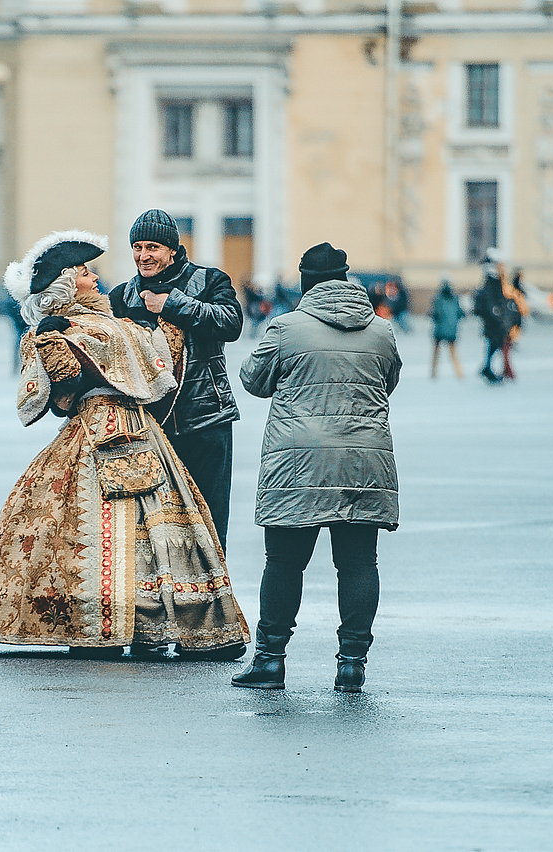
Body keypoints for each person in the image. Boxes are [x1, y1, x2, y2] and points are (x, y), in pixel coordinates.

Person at [0, 230, 249, 661]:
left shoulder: (113, 320)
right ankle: (94, 621)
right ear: (66, 283)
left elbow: (162, 356)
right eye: (84, 272)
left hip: (141, 430)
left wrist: (169, 312)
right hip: (91, 435)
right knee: (90, 528)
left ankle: (151, 626)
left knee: (153, 531)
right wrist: (48, 342)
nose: (95, 277)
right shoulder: (64, 328)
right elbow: (59, 394)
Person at [232, 243, 401, 693]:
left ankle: (270, 661)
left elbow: (253, 380)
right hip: (364, 461)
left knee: (284, 563)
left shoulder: (286, 328)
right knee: (359, 563)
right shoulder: (381, 331)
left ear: (306, 282)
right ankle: (352, 665)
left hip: (297, 463)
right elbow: (388, 382)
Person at [108, 209, 242, 556]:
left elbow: (231, 323)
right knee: (155, 527)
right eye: (137, 247)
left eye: (152, 247)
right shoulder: (122, 296)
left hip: (206, 421)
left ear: (172, 250)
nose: (143, 255)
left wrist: (173, 305)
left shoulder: (209, 280)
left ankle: (214, 587)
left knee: (210, 522)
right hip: (150, 427)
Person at [472, 249, 511, 384]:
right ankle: (487, 368)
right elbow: (492, 300)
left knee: (494, 343)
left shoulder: (494, 279)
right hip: (493, 319)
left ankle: (487, 367)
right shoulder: (492, 280)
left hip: (493, 318)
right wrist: (497, 315)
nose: (502, 267)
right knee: (495, 342)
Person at [428, 279, 464, 379]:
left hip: (440, 330)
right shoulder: (455, 298)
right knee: (453, 353)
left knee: (436, 353)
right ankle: (459, 372)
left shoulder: (438, 298)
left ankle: (433, 372)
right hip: (452, 330)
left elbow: (435, 313)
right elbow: (460, 313)